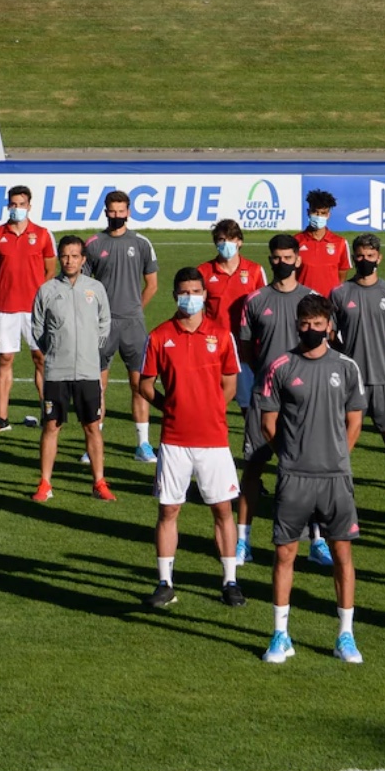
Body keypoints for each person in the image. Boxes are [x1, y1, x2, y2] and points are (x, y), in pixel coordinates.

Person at [243, 294, 368, 665]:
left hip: (335, 479)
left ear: (330, 326)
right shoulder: (281, 366)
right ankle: (280, 634)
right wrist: (292, 457)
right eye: (305, 324)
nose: (311, 330)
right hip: (294, 477)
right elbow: (268, 422)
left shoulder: (346, 367)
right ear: (297, 324)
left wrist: (338, 457)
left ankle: (345, 635)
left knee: (342, 554)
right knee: (284, 555)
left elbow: (355, 421)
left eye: (318, 324)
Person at [139, 269, 244, 610]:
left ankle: (229, 580)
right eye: (184, 291)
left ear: (204, 294)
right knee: (169, 509)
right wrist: (170, 407)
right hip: (174, 439)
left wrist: (209, 407)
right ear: (174, 295)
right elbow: (145, 385)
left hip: (214, 439)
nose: (190, 297)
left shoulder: (221, 335)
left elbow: (230, 382)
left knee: (222, 509)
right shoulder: (158, 337)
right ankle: (165, 582)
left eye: (196, 290)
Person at [231, 234, 315, 563]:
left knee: (306, 474)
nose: (281, 263)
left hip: (303, 402)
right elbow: (248, 350)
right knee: (253, 468)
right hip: (263, 398)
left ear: (298, 260)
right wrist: (270, 378)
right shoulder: (255, 301)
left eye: (287, 257)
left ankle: (315, 540)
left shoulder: (313, 299)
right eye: (275, 258)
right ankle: (243, 541)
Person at [327, 233, 385, 522]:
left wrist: (381, 355)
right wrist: (347, 359)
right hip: (350, 383)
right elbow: (329, 334)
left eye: (369, 255)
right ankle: (337, 496)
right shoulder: (339, 294)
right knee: (342, 440)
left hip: (384, 380)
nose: (364, 260)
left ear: (379, 257)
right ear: (354, 257)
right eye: (359, 256)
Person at [29, 235, 114, 502]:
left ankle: (99, 482)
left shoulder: (96, 289)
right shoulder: (47, 290)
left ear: (83, 259)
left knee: (92, 426)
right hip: (56, 371)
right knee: (51, 426)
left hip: (88, 371)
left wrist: (90, 348)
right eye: (65, 255)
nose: (69, 260)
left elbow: (104, 324)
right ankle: (45, 483)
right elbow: (37, 329)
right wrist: (54, 349)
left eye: (75, 256)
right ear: (59, 257)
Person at [84, 190, 161, 461]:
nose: (117, 216)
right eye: (112, 211)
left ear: (128, 211)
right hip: (101, 326)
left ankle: (143, 445)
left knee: (139, 385)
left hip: (133, 325)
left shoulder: (141, 243)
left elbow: (152, 284)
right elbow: (82, 285)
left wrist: (135, 308)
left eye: (121, 211)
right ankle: (93, 446)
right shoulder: (93, 243)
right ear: (105, 211)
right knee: (97, 386)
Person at [0, 185, 56, 434]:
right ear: (8, 206)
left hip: (35, 309)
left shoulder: (43, 234)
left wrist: (38, 297)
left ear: (29, 206)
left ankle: (48, 412)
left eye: (21, 204)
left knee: (41, 359)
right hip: (6, 307)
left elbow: (50, 270)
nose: (17, 208)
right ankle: (2, 418)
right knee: (5, 359)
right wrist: (5, 287)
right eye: (13, 204)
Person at [196, 220, 265, 402]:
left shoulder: (255, 271)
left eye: (231, 239)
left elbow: (264, 307)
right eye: (221, 240)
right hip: (214, 345)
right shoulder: (203, 271)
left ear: (240, 241)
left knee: (247, 402)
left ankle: (251, 432)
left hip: (245, 345)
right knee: (211, 400)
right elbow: (195, 311)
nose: (226, 244)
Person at [294, 189, 349, 295]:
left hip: (329, 302)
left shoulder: (340, 242)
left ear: (328, 215)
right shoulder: (295, 241)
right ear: (308, 212)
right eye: (315, 212)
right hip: (302, 301)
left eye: (323, 213)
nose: (318, 216)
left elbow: (342, 272)